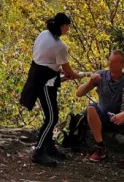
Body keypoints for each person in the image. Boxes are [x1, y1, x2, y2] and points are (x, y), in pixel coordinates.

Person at [19, 12, 81, 167]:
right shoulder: (60, 46)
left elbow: (46, 60)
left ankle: (49, 146)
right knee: (52, 117)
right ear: (63, 26)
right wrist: (80, 75)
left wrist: (60, 72)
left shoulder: (43, 34)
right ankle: (39, 151)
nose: (68, 29)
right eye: (68, 26)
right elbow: (69, 72)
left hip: (37, 76)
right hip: (45, 83)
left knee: (51, 115)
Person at [76, 50, 124, 169]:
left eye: (113, 62)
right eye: (109, 61)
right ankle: (100, 147)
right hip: (103, 116)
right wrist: (90, 82)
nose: (109, 64)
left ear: (123, 64)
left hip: (121, 118)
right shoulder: (101, 75)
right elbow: (79, 93)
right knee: (91, 108)